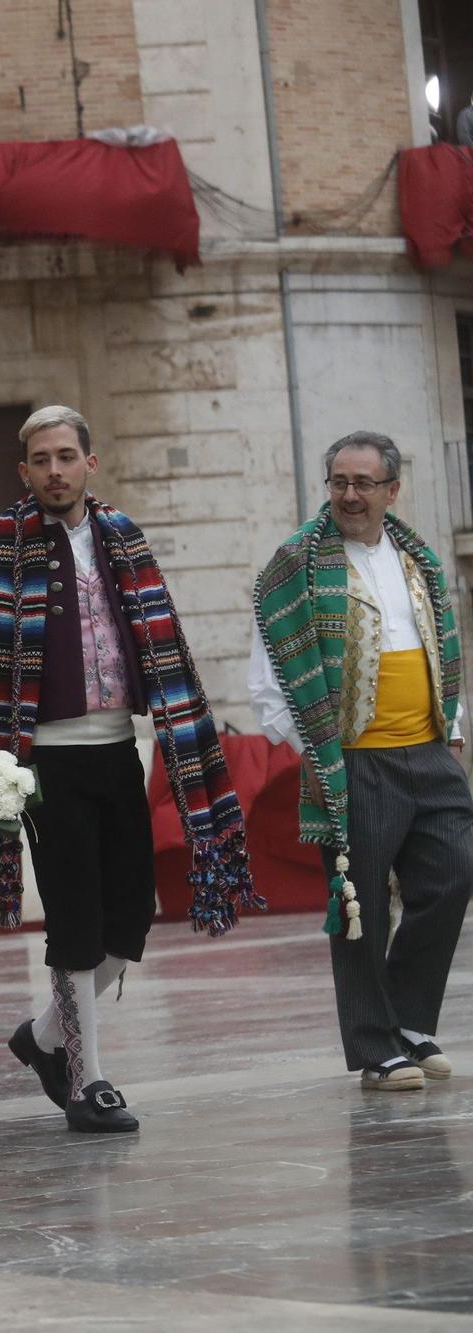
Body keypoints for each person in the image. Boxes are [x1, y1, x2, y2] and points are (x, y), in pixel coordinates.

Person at [0, 406, 258, 1134]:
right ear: (25, 472)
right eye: (40, 459)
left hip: (121, 748)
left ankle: (45, 1036)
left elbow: (162, 637)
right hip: (42, 760)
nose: (54, 469)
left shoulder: (124, 538)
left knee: (130, 918)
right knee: (76, 920)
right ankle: (89, 1080)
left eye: (65, 456)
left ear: (90, 462)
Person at [251, 432, 472, 1091]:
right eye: (338, 481)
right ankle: (377, 1047)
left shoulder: (419, 560)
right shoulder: (295, 565)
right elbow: (271, 683)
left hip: (429, 755)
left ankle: (405, 1018)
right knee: (359, 907)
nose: (348, 494)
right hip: (354, 764)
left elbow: (443, 653)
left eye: (363, 483)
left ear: (391, 490)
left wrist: (452, 731)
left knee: (455, 872)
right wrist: (321, 754)